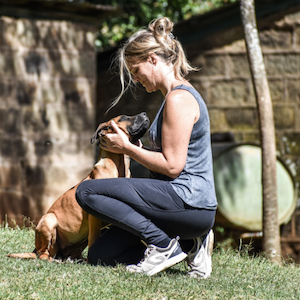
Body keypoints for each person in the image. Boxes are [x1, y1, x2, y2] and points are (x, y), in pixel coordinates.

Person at [75, 17, 217, 277]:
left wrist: (128, 149)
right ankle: (188, 244)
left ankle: (163, 245)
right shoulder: (171, 97)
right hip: (175, 204)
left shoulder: (179, 99)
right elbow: (169, 156)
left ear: (153, 59)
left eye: (136, 70)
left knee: (87, 192)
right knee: (101, 255)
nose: (136, 79)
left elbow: (173, 167)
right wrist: (139, 148)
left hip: (189, 203)